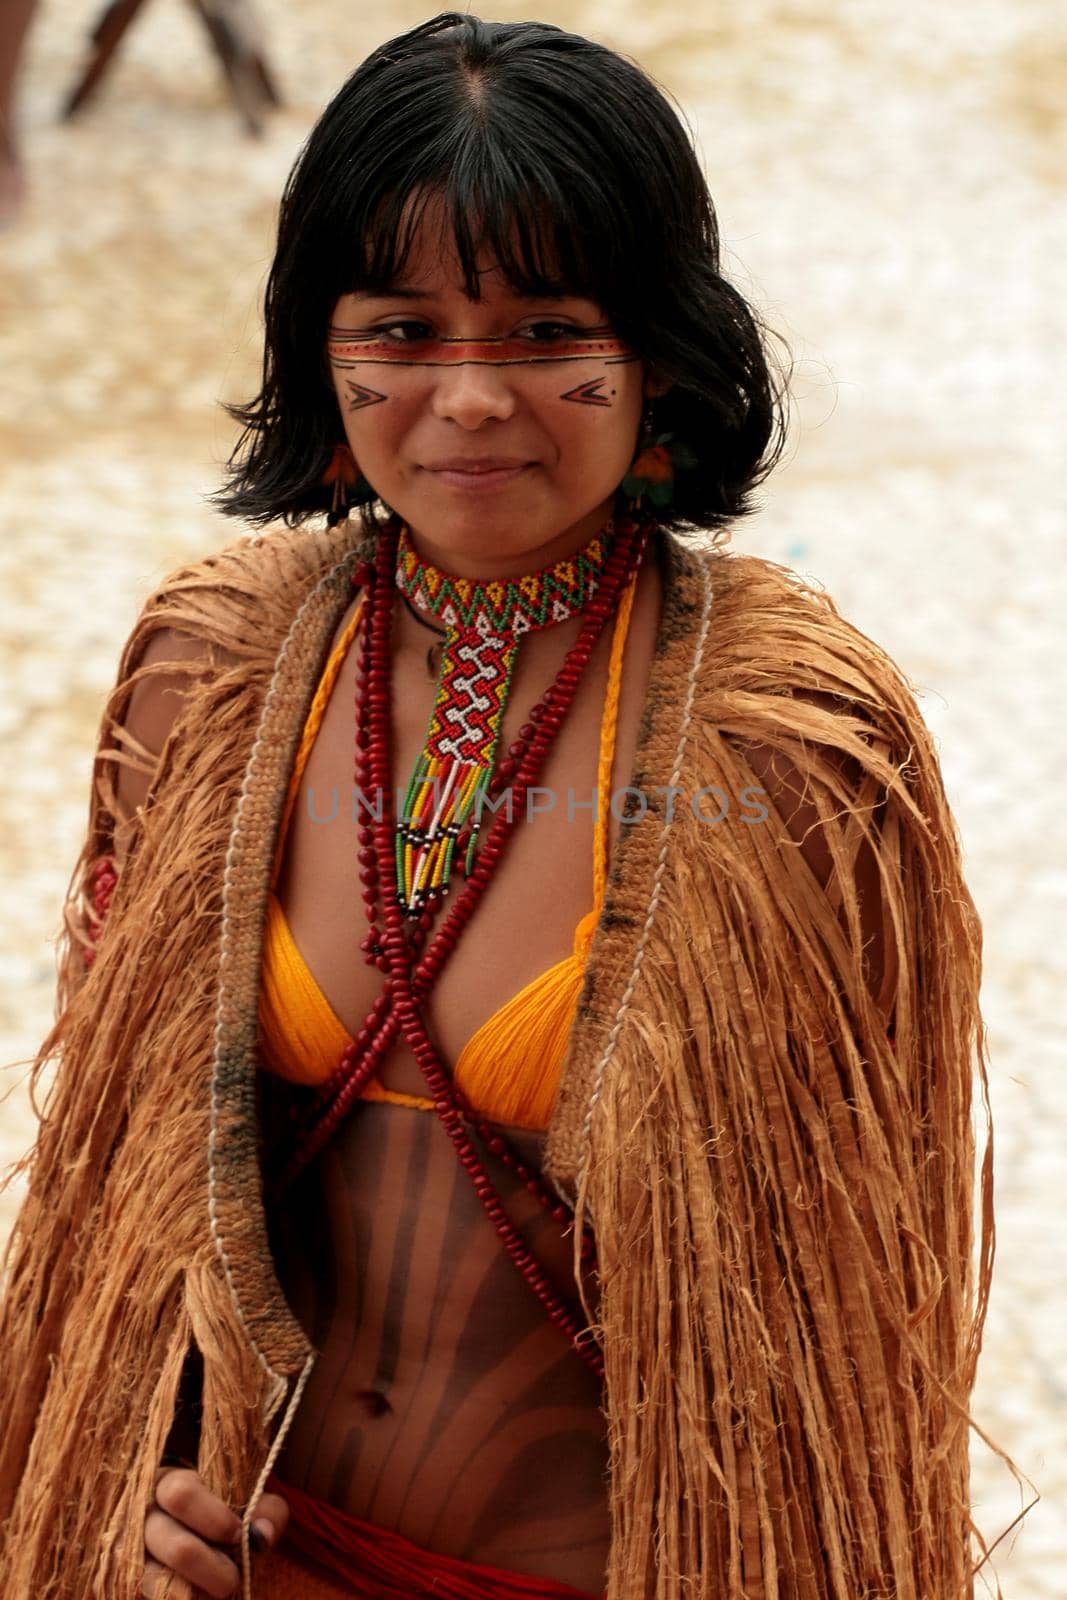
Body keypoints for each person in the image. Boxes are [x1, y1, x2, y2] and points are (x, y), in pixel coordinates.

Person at [0, 12, 1014, 1598]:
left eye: (547, 331)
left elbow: (845, 1330)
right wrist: (132, 1474)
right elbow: (115, 1201)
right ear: (316, 352)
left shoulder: (793, 742)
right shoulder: (203, 673)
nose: (471, 395)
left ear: (661, 354)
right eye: (401, 330)